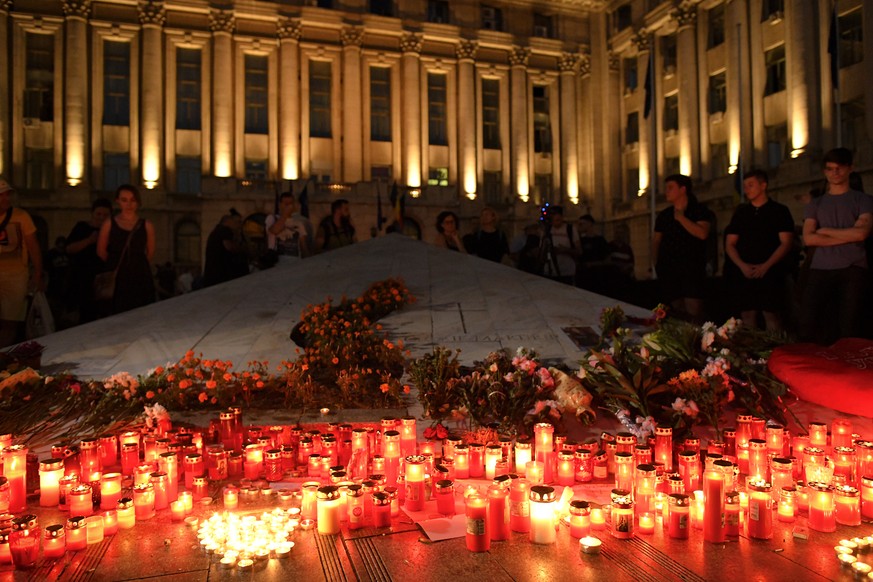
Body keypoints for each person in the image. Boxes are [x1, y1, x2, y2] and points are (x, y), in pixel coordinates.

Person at [799, 148, 873, 343]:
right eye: (830, 169)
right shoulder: (815, 204)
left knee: (849, 325)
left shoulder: (863, 200)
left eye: (839, 168)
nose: (835, 173)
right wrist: (850, 235)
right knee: (811, 323)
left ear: (850, 169)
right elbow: (809, 238)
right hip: (820, 268)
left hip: (853, 268)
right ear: (825, 172)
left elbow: (862, 233)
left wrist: (825, 230)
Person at [724, 169, 795, 331]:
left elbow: (785, 242)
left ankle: (774, 350)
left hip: (771, 271)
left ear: (763, 185)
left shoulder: (779, 211)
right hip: (745, 271)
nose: (747, 190)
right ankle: (753, 351)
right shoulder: (741, 213)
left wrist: (766, 266)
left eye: (751, 185)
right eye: (745, 186)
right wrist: (742, 265)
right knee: (748, 314)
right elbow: (730, 243)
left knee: (771, 314)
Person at [652, 174, 713, 322]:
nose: (666, 191)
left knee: (694, 311)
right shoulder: (664, 215)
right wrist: (657, 263)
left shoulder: (699, 210)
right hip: (669, 269)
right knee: (676, 311)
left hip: (692, 268)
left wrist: (681, 218)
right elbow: (656, 241)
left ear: (683, 189)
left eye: (670, 187)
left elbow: (702, 233)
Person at [96, 184, 156, 314]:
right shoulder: (109, 224)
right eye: (124, 200)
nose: (129, 204)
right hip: (117, 276)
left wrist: (138, 264)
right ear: (118, 201)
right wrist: (115, 263)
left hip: (140, 276)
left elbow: (150, 252)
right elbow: (101, 251)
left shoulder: (147, 225)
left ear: (138, 202)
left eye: (132, 200)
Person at [0, 178, 43, 347]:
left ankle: (2, 355)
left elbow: (33, 246)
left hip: (16, 276)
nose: (6, 199)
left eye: (7, 195)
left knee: (11, 319)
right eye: (1, 195)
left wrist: (37, 273)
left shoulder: (21, 216)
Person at [66, 198, 112, 323]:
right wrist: (89, 241)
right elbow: (69, 248)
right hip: (81, 279)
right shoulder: (81, 227)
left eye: (105, 215)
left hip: (102, 281)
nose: (101, 218)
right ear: (92, 213)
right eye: (99, 214)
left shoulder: (111, 232)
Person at [202, 212, 249, 288]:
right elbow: (229, 247)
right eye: (236, 222)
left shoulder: (215, 232)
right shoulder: (225, 230)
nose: (238, 225)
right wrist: (243, 249)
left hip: (212, 274)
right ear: (228, 222)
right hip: (220, 274)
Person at [266, 191, 311, 259]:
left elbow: (303, 247)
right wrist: (285, 214)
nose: (289, 206)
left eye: (291, 204)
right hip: (277, 263)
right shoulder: (272, 218)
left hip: (295, 263)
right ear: (280, 205)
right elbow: (274, 230)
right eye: (286, 204)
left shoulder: (299, 223)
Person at [540, 205, 577, 285]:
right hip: (550, 271)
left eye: (558, 219)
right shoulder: (547, 231)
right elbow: (542, 251)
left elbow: (579, 251)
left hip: (567, 271)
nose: (556, 222)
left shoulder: (570, 229)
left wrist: (565, 250)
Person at [574, 214, 611, 292]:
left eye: (582, 224)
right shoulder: (580, 240)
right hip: (583, 277)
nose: (579, 226)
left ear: (589, 224)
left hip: (597, 277)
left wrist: (592, 264)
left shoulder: (600, 240)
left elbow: (607, 260)